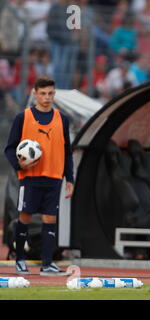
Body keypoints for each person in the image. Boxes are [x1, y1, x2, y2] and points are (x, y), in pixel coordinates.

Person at [4, 77, 74, 276]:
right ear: (35, 94)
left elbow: (67, 152)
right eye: (43, 93)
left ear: (54, 94)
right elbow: (9, 149)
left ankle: (47, 264)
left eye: (51, 93)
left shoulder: (62, 119)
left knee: (50, 219)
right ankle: (19, 260)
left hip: (54, 178)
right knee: (24, 218)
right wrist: (20, 164)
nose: (47, 97)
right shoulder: (23, 117)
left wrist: (69, 179)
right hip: (30, 178)